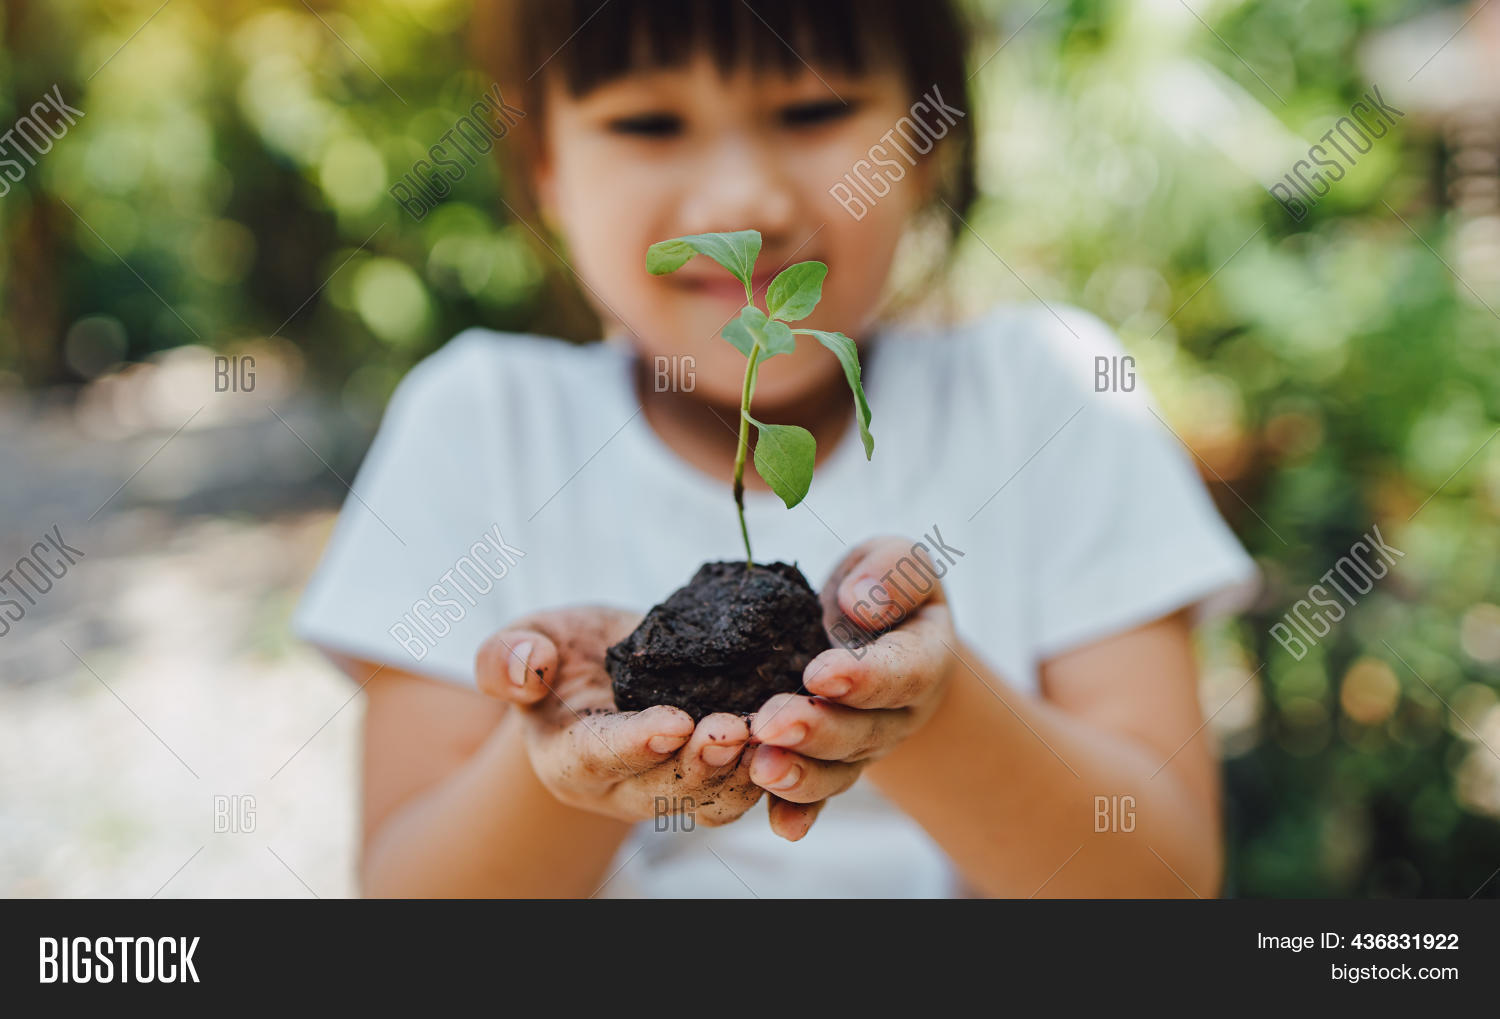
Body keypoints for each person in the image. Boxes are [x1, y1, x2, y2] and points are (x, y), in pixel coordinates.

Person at [295, 0, 1257, 897]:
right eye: (649, 124)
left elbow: (1159, 881)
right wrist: (573, 765)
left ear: (928, 140)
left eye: (812, 110)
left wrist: (918, 707)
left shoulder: (1049, 391)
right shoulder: (480, 422)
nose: (743, 201)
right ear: (544, 160)